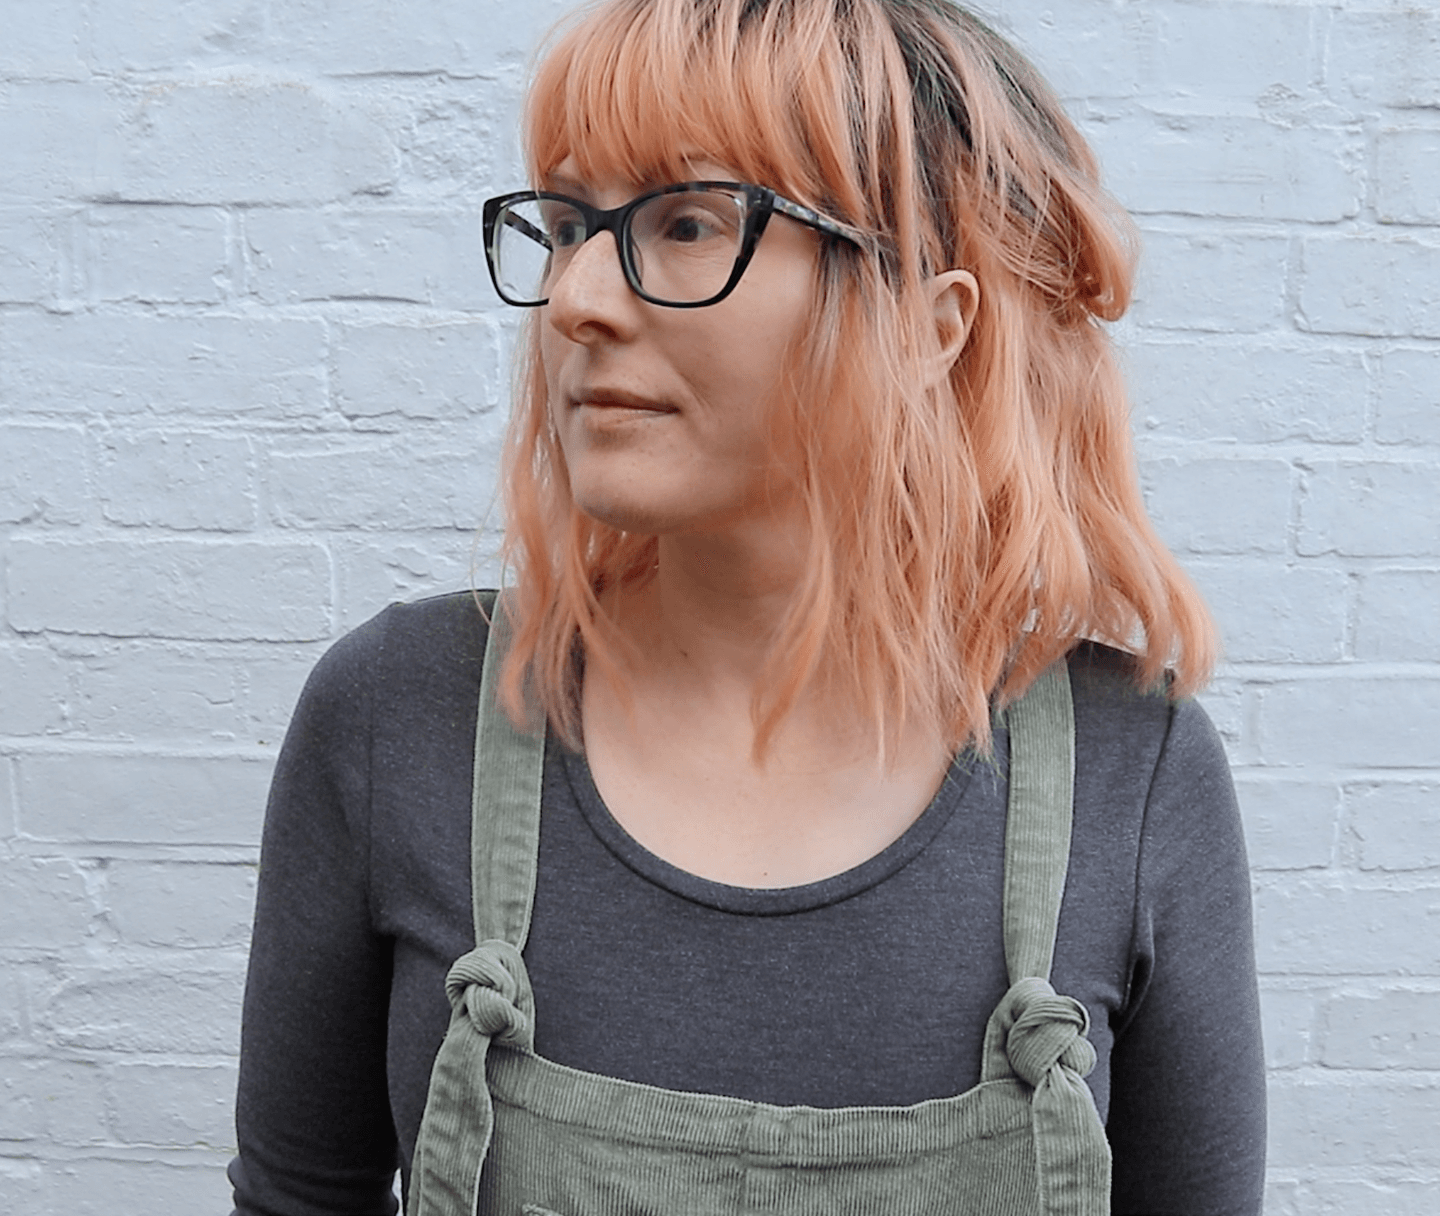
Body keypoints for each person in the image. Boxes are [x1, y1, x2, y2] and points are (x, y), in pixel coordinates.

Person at [228, 0, 1266, 1212]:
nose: (575, 300)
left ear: (930, 326)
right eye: (569, 225)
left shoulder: (1131, 781)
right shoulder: (396, 720)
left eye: (684, 223)